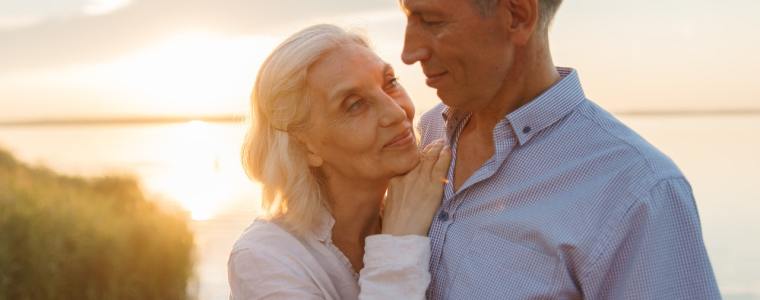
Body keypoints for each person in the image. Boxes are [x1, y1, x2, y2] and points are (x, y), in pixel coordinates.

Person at [399, 0, 721, 298]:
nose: (408, 52)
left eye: (431, 21)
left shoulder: (639, 190)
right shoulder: (430, 130)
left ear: (518, 15)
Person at [228, 24, 451, 299]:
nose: (396, 112)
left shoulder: (433, 202)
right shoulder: (266, 257)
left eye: (390, 83)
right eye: (355, 104)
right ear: (304, 145)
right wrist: (399, 242)